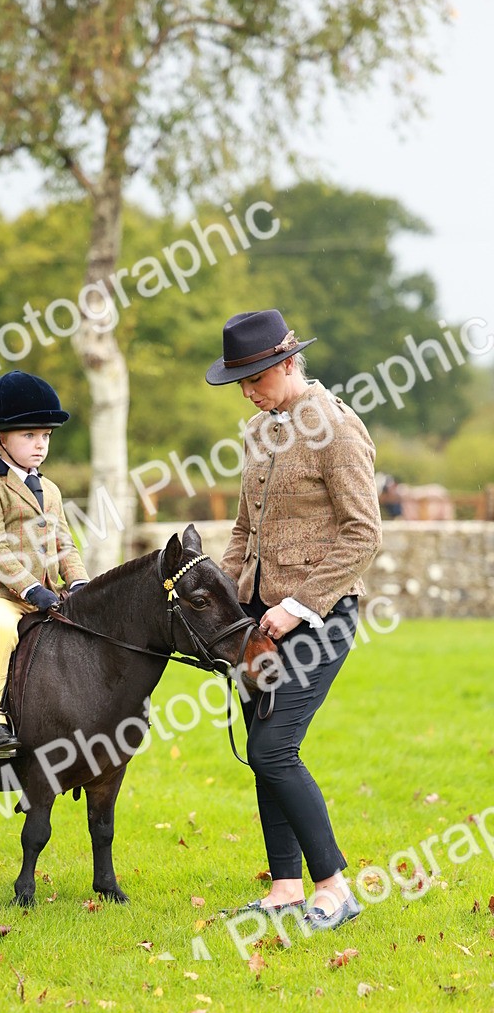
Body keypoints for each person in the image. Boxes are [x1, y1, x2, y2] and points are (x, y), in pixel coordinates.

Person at [206, 309, 382, 931]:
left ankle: (334, 888)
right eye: (240, 381)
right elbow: (246, 530)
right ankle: (284, 887)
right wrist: (224, 597)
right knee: (260, 750)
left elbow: (364, 533)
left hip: (320, 619)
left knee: (274, 748)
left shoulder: (337, 427)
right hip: (257, 623)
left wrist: (299, 605)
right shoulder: (258, 432)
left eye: (255, 377)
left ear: (287, 364)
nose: (249, 391)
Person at [0, 370, 89, 760]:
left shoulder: (49, 489)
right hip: (0, 596)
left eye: (46, 437)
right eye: (29, 436)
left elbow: (64, 543)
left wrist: (80, 582)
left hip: (46, 593)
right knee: (2, 630)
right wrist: (29, 588)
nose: (40, 445)